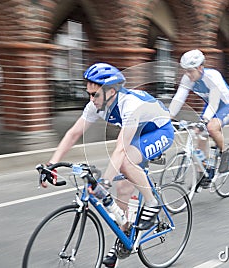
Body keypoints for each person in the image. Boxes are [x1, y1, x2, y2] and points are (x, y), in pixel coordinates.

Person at [44, 62, 174, 267]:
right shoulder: (96, 105)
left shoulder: (129, 105)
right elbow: (73, 134)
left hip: (159, 131)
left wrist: (104, 182)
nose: (91, 99)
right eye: (88, 94)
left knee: (125, 163)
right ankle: (123, 238)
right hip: (137, 135)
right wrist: (52, 164)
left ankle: (152, 203)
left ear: (111, 91)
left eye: (94, 94)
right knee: (122, 189)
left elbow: (120, 149)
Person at [168, 49, 229, 186]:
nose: (187, 74)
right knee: (198, 134)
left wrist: (205, 120)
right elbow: (179, 98)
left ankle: (225, 153)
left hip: (226, 105)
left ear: (200, 68)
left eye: (190, 71)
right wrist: (168, 116)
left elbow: (214, 102)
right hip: (211, 107)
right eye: (185, 71)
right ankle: (204, 170)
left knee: (211, 128)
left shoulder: (213, 77)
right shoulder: (187, 78)